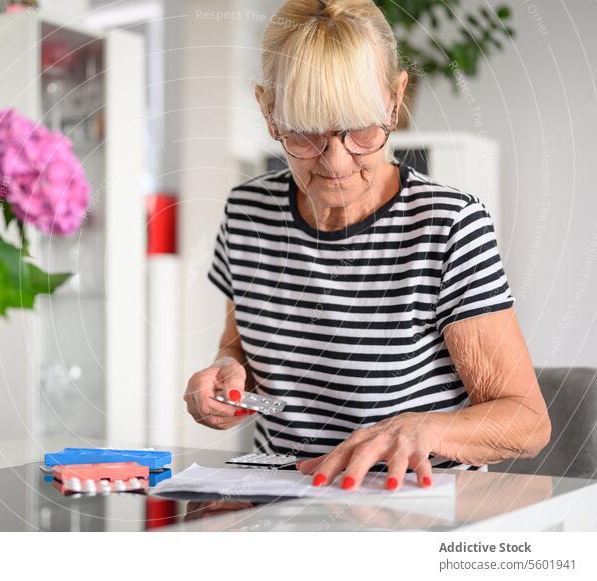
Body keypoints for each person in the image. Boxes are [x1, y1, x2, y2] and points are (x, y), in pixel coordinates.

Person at [183, 0, 551, 491]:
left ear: (394, 100)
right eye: (307, 133)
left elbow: (526, 422)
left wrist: (424, 427)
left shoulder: (448, 225)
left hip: (415, 506)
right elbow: (240, 351)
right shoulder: (247, 212)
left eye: (360, 130)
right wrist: (226, 378)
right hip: (279, 498)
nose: (336, 163)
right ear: (269, 113)